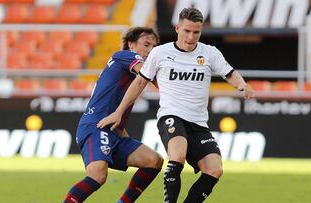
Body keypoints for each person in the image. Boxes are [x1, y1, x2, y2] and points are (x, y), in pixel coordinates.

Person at [97, 7, 254, 203]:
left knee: (215, 169)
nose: (191, 37)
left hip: (198, 123)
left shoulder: (209, 53)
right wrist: (119, 112)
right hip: (171, 116)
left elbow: (229, 73)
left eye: (196, 32)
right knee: (177, 156)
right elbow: (139, 82)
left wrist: (242, 85)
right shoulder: (160, 53)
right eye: (187, 31)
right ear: (178, 28)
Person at [64, 27, 163, 203]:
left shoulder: (129, 70)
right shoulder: (125, 55)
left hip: (113, 131)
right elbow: (149, 75)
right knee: (97, 175)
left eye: (154, 47)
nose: (150, 50)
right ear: (131, 44)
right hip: (97, 125)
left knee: (153, 160)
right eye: (146, 44)